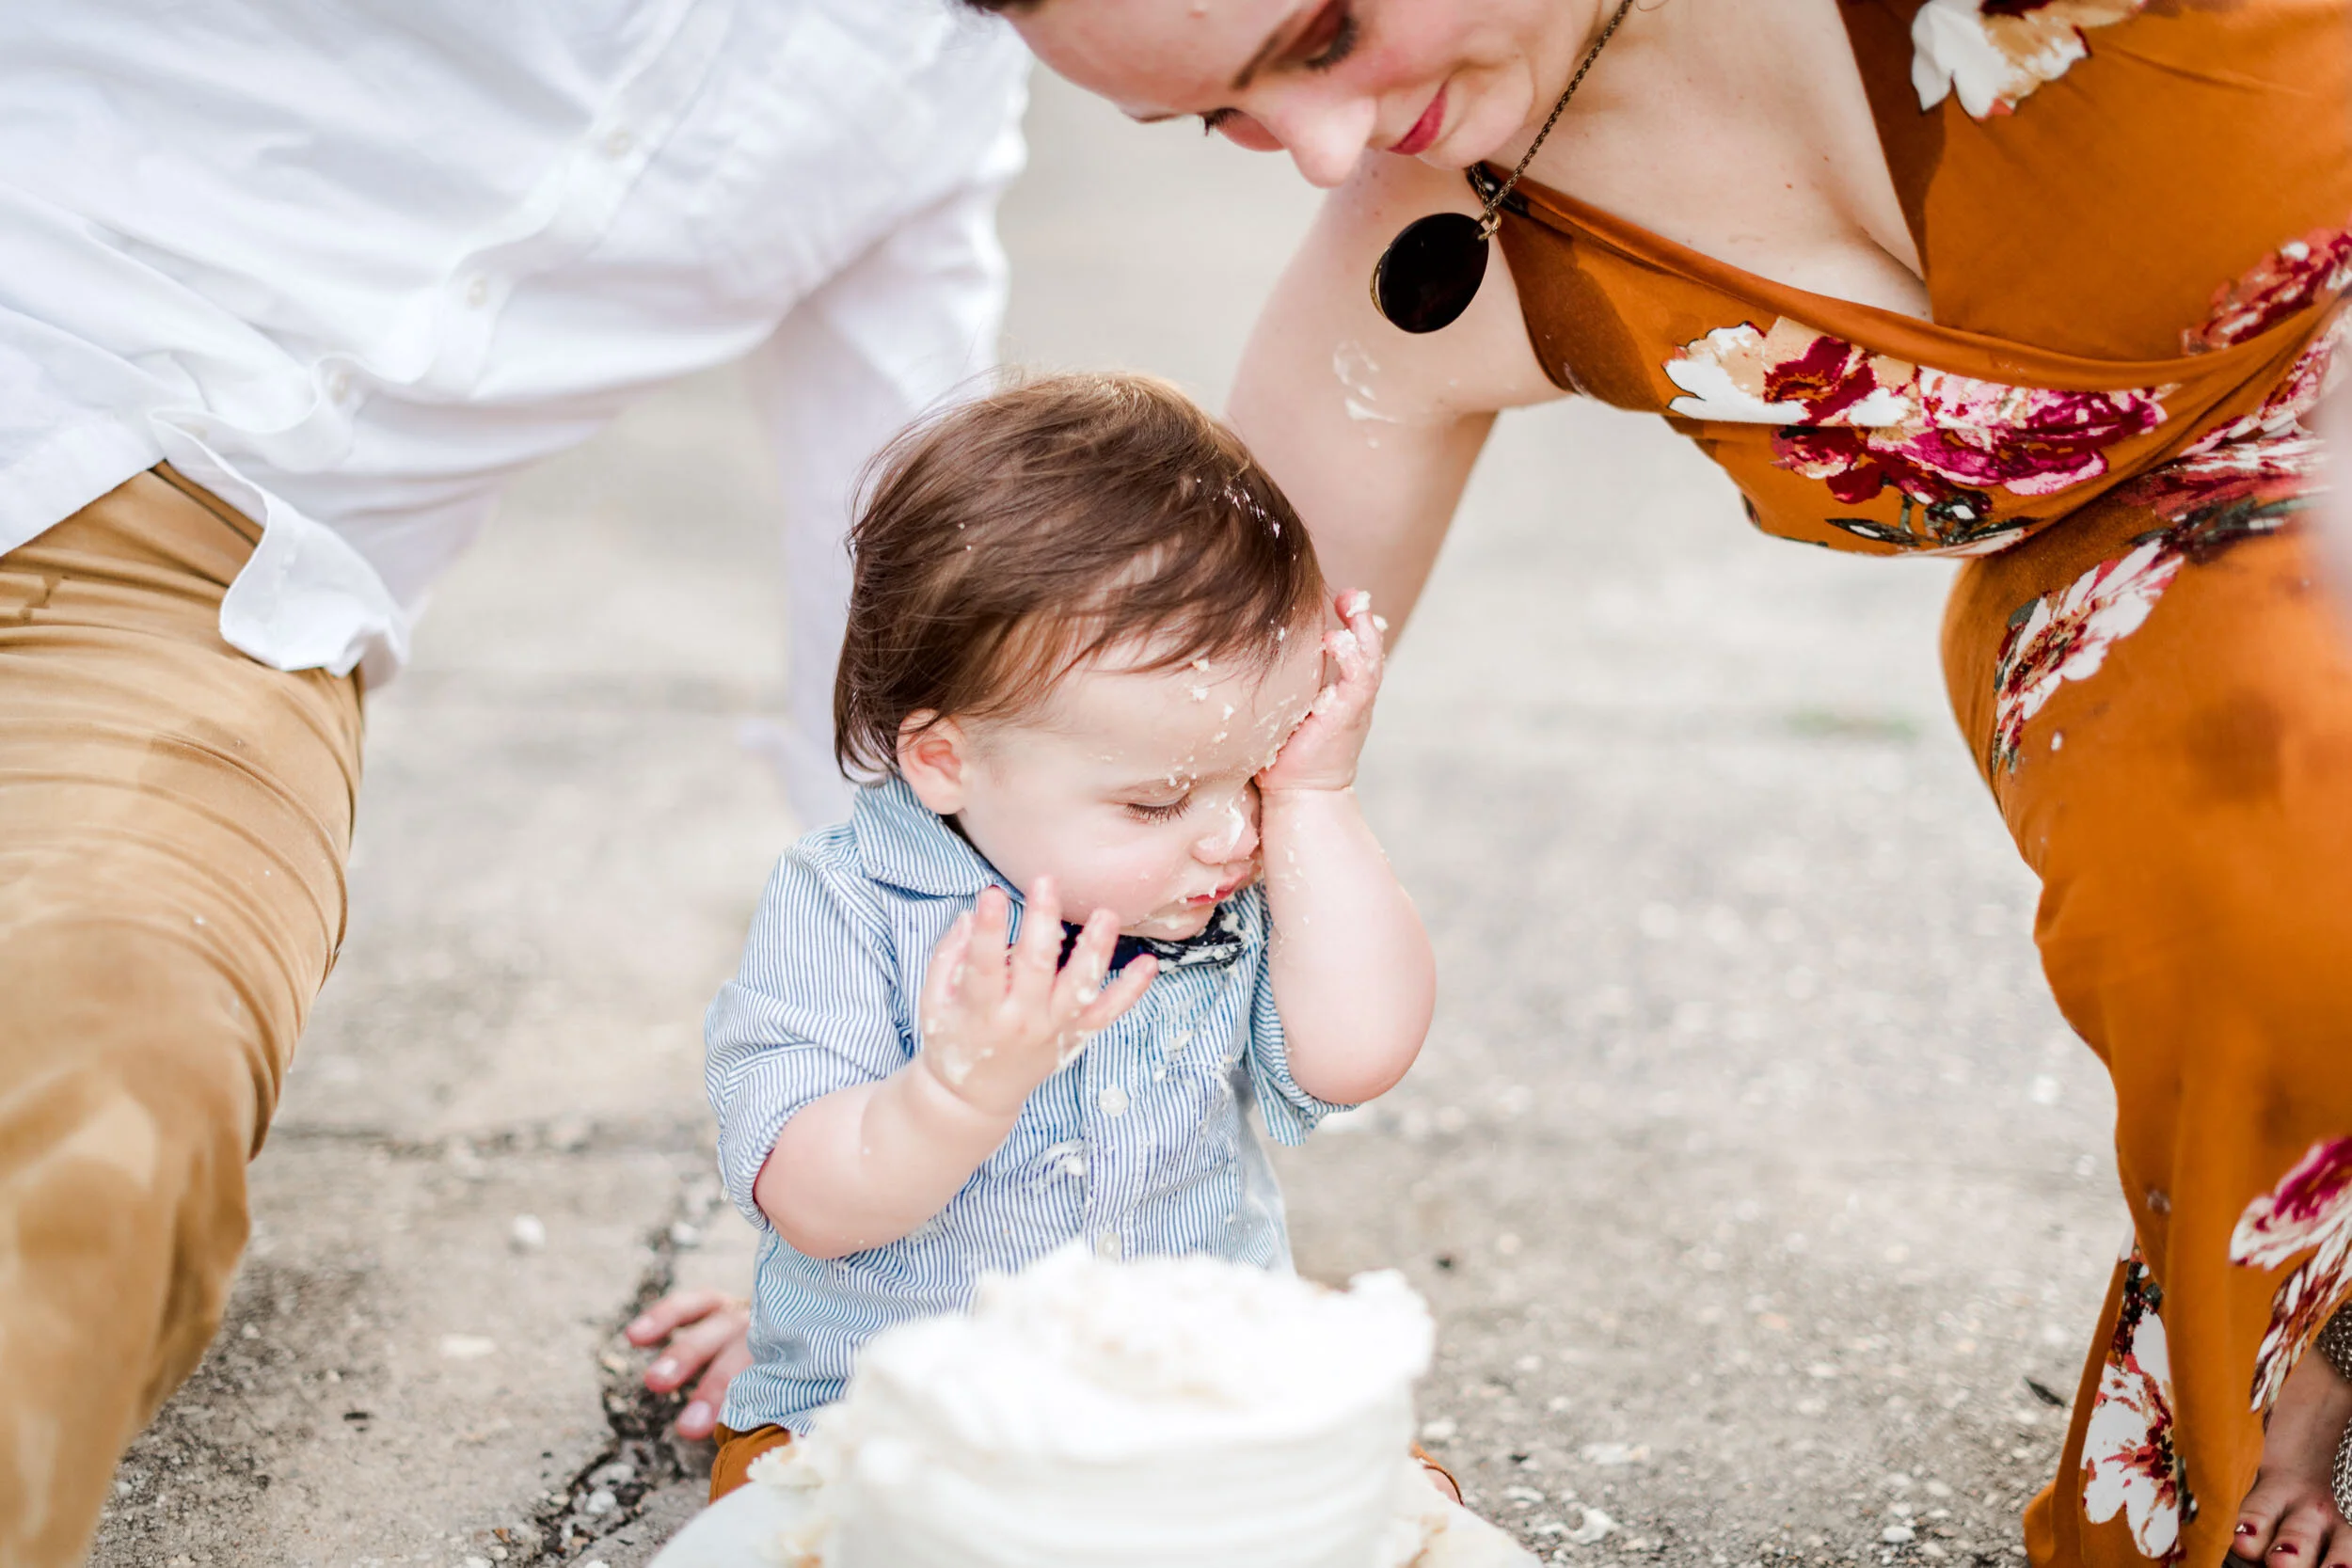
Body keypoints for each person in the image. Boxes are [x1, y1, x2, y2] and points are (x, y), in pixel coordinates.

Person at [965, 3, 2352, 1568]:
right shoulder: (1426, 250)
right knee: (2268, 862)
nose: (1322, 149)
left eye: (1327, 30)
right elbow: (1146, 753)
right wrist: (924, 1204)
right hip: (2181, 598)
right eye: (1220, 117)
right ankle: (2304, 1329)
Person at [0, 1, 1026, 1560]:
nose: (1323, 148)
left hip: (217, 599)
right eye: (1312, 40)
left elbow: (900, 645)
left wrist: (868, 1216)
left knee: (113, 1070)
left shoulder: (926, 96)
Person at [694, 372, 1435, 1497]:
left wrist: (1318, 793)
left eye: (1256, 769)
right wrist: (953, 1095)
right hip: (889, 1417)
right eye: (1155, 800)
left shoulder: (1223, 881)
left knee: (1395, 1494)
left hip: (1186, 1403)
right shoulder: (846, 905)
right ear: (943, 760)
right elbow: (810, 1197)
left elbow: (1357, 1051)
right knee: (794, 1519)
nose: (1232, 833)